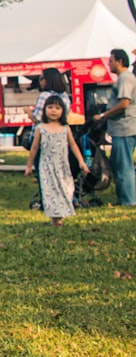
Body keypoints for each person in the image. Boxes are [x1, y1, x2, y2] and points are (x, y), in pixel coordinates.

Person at [25, 94, 90, 226]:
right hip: (46, 166)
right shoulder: (40, 128)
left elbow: (73, 145)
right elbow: (34, 148)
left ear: (63, 111)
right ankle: (56, 219)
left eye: (57, 108)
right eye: (50, 107)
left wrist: (81, 161)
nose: (53, 110)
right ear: (44, 110)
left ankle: (60, 214)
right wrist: (29, 166)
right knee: (50, 191)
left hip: (62, 166)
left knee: (66, 189)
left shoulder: (65, 128)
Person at [93, 48, 136, 206]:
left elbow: (124, 103)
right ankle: (125, 198)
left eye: (111, 60)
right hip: (122, 128)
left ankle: (128, 200)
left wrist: (104, 115)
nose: (109, 64)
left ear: (119, 61)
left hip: (124, 128)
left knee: (124, 166)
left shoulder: (125, 78)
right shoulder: (125, 78)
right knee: (121, 164)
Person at [25, 68, 70, 149]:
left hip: (42, 140)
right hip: (59, 139)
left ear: (48, 80)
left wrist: (28, 111)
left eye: (41, 78)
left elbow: (37, 119)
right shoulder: (65, 96)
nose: (40, 82)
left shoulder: (44, 96)